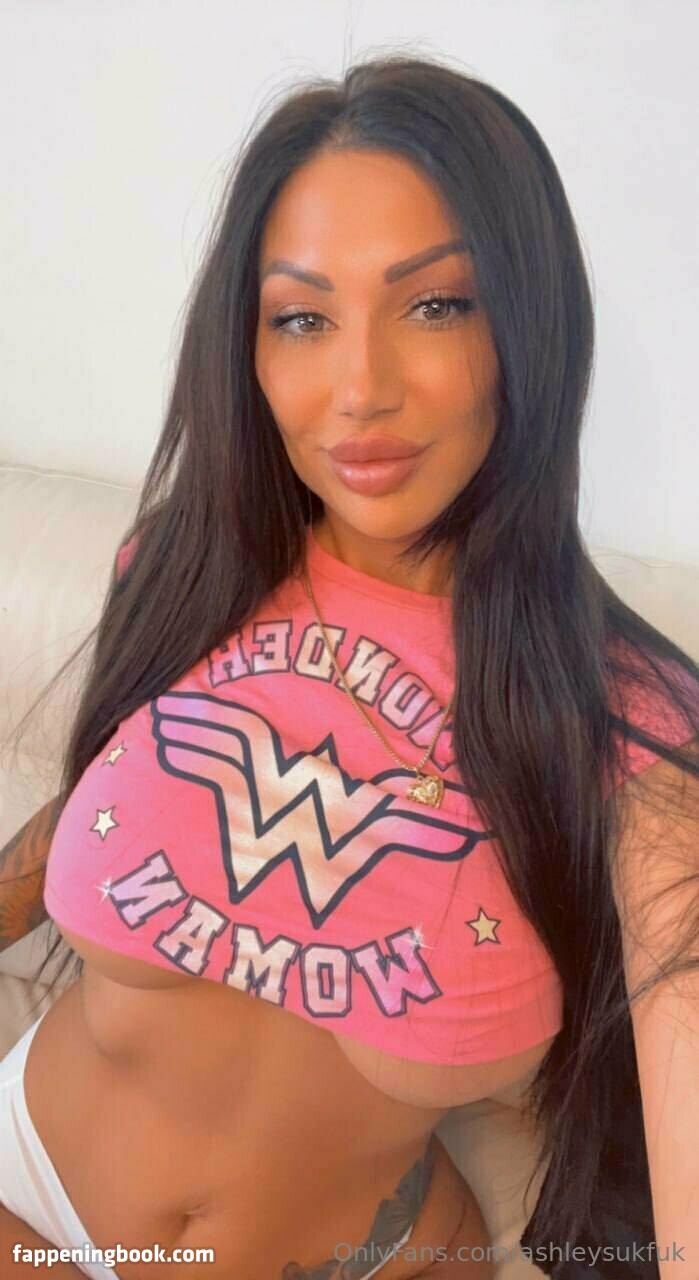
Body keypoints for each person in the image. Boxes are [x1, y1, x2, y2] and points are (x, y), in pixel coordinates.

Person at [1, 54, 697, 1280]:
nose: (361, 389)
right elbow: (108, 806)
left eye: (436, 305)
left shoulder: (636, 730)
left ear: (528, 325)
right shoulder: (183, 567)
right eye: (302, 318)